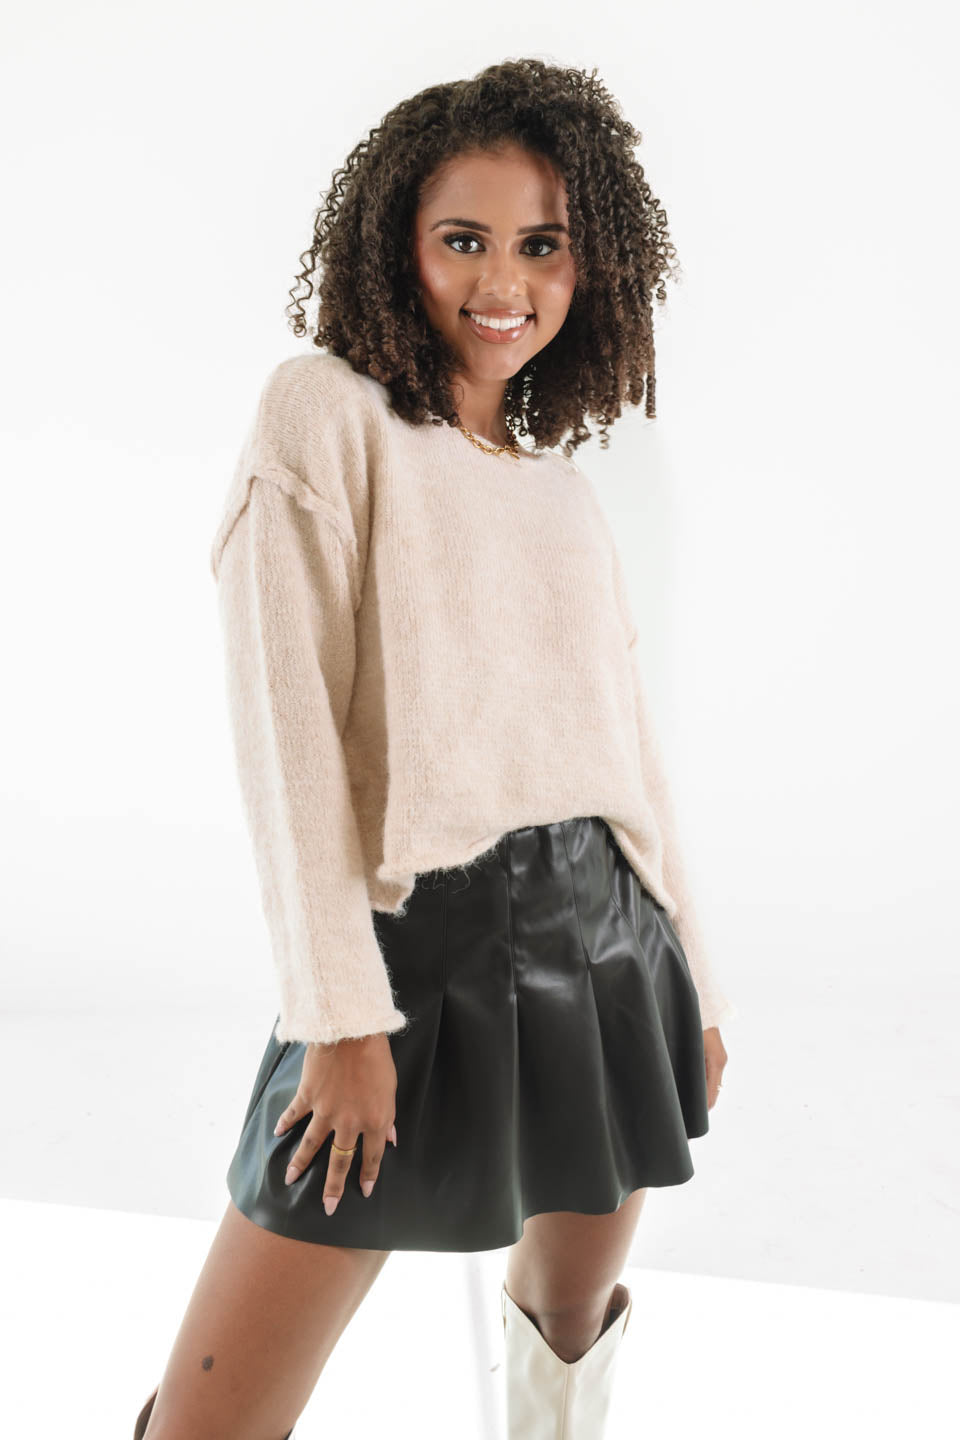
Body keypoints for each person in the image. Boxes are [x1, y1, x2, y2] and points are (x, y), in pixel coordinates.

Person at [133, 56, 736, 1440]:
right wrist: (340, 1017)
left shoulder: (562, 491)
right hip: (414, 952)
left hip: (609, 944)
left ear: (591, 265)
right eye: (464, 238)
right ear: (396, 241)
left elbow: (631, 760)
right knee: (216, 1415)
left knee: (570, 1327)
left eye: (542, 245)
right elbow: (285, 735)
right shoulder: (322, 415)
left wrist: (694, 980)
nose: (503, 281)